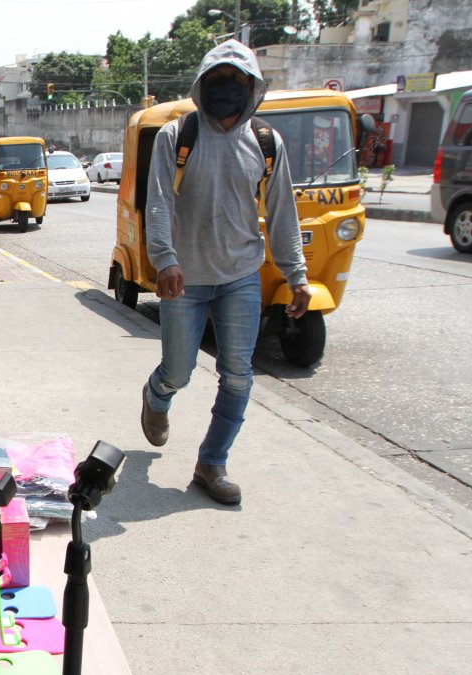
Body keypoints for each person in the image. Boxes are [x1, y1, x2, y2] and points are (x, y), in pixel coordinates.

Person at [140, 40, 308, 506]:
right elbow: (158, 201)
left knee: (238, 376)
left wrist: (297, 274)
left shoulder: (266, 142)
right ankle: (157, 394)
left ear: (252, 88)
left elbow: (282, 213)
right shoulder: (178, 135)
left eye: (237, 82)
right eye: (217, 80)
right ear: (201, 85)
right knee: (179, 371)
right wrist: (166, 260)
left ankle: (212, 462)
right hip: (184, 280)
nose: (226, 90)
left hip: (240, 276)